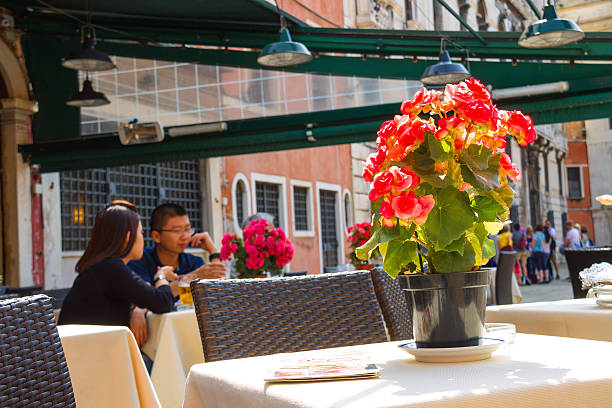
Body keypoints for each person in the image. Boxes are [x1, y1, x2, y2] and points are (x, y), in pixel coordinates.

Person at [58, 202, 176, 327]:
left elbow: (142, 296)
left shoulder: (102, 267)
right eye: (141, 233)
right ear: (127, 237)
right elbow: (163, 303)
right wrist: (161, 277)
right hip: (92, 345)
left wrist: (137, 309)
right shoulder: (111, 269)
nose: (143, 239)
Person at [128, 203, 226, 346]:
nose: (185, 236)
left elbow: (217, 292)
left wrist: (213, 251)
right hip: (156, 340)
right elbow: (148, 297)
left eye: (187, 229)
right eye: (177, 231)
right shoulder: (141, 261)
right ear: (156, 236)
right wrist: (138, 310)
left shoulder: (193, 262)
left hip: (192, 335)